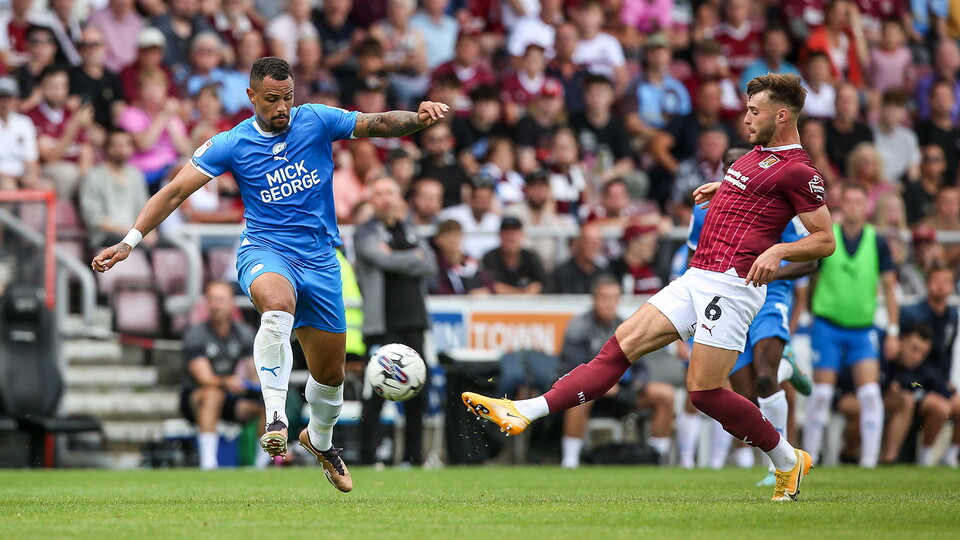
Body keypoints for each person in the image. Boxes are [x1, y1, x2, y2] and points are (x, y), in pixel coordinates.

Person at [463, 73, 834, 501]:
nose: (747, 118)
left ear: (782, 115)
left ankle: (788, 459)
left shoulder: (800, 171)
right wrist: (725, 188)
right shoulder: (754, 155)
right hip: (698, 275)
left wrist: (778, 253)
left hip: (732, 286)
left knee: (704, 393)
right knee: (617, 349)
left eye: (755, 111)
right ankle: (524, 411)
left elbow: (825, 240)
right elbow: (756, 194)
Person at [92, 57, 449, 493]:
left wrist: (417, 118)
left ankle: (319, 441)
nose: (283, 107)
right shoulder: (231, 143)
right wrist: (130, 240)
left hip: (320, 260)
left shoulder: (315, 119)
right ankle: (276, 416)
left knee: (330, 377)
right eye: (272, 99)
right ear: (251, 97)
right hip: (266, 251)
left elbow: (376, 122)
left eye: (288, 97)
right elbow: (174, 191)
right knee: (277, 305)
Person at [803, 183, 899, 469]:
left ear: (866, 206)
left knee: (870, 394)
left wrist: (893, 330)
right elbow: (812, 279)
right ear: (841, 205)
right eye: (849, 200)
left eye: (859, 200)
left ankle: (869, 464)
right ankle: (809, 459)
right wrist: (810, 314)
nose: (854, 205)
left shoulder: (877, 240)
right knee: (820, 394)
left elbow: (890, 288)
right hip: (827, 325)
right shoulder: (826, 239)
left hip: (863, 328)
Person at [354, 176, 436, 466]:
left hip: (414, 322)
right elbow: (381, 260)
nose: (386, 198)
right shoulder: (364, 232)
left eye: (390, 192)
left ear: (399, 197)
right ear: (372, 200)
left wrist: (401, 257)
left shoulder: (410, 229)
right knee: (374, 394)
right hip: (382, 325)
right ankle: (367, 459)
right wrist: (412, 257)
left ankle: (414, 460)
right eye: (379, 193)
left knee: (416, 394)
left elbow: (431, 263)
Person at [559, 275, 675, 469]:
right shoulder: (578, 327)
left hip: (622, 390)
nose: (609, 303)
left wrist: (638, 383)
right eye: (604, 298)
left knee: (665, 394)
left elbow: (641, 366)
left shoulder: (625, 326)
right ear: (594, 299)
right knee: (579, 394)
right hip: (591, 393)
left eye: (614, 298)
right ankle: (570, 460)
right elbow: (573, 367)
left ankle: (657, 457)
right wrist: (602, 384)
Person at [180, 280, 267, 470]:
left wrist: (255, 383)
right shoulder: (195, 334)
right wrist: (227, 381)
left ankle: (263, 464)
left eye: (220, 300)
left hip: (231, 398)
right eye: (211, 300)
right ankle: (208, 463)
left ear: (231, 304)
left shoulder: (244, 333)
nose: (215, 305)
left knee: (268, 405)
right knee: (213, 393)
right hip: (196, 399)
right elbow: (204, 378)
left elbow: (252, 370)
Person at [79, 129, 155, 249]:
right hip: (105, 236)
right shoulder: (94, 176)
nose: (122, 149)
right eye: (118, 145)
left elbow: (144, 209)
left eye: (127, 145)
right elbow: (93, 218)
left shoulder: (136, 174)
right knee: (142, 248)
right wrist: (129, 233)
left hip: (133, 234)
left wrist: (151, 232)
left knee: (168, 247)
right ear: (107, 148)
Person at [481, 216, 547, 295]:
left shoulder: (530, 257)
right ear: (500, 235)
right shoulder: (490, 257)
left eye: (514, 233)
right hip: (498, 305)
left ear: (522, 235)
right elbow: (492, 286)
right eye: (507, 233)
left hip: (529, 306)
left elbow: (545, 285)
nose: (511, 237)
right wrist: (525, 293)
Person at [549, 223, 606, 294]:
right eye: (588, 242)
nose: (592, 247)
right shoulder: (561, 273)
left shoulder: (603, 274)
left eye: (596, 243)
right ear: (578, 242)